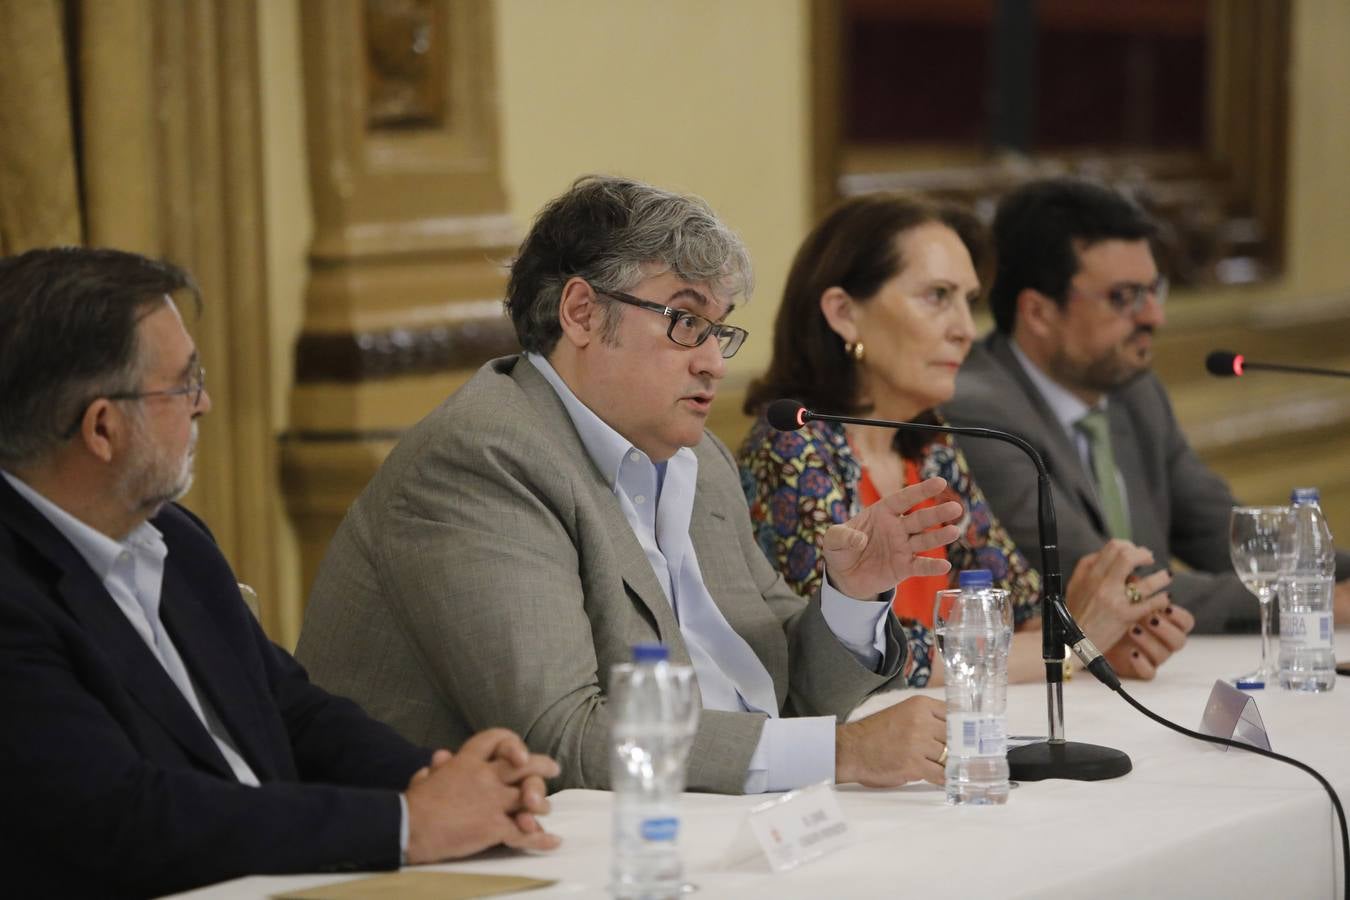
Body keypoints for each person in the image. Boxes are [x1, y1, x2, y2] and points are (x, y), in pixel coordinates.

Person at [297, 174, 970, 797]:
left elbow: (778, 687)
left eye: (718, 330)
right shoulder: (482, 460)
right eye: (684, 322)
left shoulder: (695, 458)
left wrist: (852, 596)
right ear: (582, 313)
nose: (712, 364)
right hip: (464, 863)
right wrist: (840, 753)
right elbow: (563, 737)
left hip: (693, 819)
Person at [0, 247, 560, 899]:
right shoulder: (12, 594)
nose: (204, 403)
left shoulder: (174, 538)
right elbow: (126, 819)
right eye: (184, 383)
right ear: (103, 428)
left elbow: (291, 711)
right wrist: (407, 824)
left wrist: (442, 780)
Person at [738, 193, 1189, 683]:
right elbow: (849, 659)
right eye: (937, 297)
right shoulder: (791, 448)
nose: (966, 331)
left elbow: (1016, 608)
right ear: (844, 312)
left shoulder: (929, 443)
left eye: (968, 301)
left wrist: (1096, 644)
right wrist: (1072, 646)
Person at [943, 177, 1350, 634]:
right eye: (1124, 297)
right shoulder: (978, 412)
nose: (1154, 317)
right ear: (1038, 312)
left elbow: (1225, 535)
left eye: (1154, 290)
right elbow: (1107, 584)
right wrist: (1306, 600)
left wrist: (1341, 573)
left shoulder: (1134, 391)